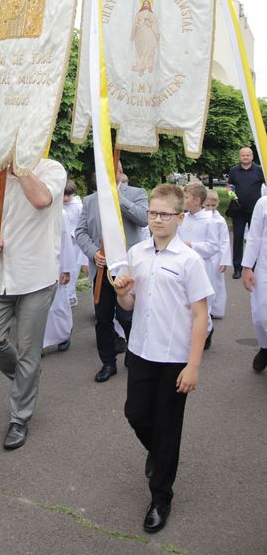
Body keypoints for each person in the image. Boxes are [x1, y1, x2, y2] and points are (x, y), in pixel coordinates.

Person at [112, 184, 213, 534]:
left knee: (168, 428)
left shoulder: (189, 260)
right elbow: (130, 304)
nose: (156, 219)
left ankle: (160, 498)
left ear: (180, 217)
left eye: (165, 214)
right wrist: (123, 293)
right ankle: (161, 458)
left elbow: (200, 316)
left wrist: (193, 365)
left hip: (174, 359)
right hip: (140, 350)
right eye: (153, 212)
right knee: (135, 414)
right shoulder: (137, 253)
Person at [0, 158, 66, 450]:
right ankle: (26, 379)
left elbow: (41, 199)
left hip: (38, 277)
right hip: (4, 274)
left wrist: (20, 169)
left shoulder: (53, 169)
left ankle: (19, 418)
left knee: (29, 349)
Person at [75, 163, 148, 382]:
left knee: (127, 316)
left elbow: (143, 219)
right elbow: (80, 231)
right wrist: (93, 252)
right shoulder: (89, 201)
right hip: (102, 270)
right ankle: (108, 362)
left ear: (120, 172)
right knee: (103, 318)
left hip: (127, 268)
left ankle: (134, 353)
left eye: (111, 168)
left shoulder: (137, 193)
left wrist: (117, 197)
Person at [178, 182, 218, 348]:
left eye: (186, 197)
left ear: (195, 200)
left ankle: (206, 330)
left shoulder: (210, 220)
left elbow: (214, 246)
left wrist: (192, 245)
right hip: (183, 264)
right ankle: (188, 333)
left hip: (202, 265)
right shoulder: (183, 217)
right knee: (186, 300)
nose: (183, 200)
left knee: (202, 301)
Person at [227, 147, 265, 279]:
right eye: (243, 155)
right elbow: (230, 186)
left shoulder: (260, 170)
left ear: (252, 156)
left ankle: (253, 266)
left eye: (248, 155)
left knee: (254, 239)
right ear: (240, 157)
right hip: (238, 210)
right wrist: (230, 192)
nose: (245, 157)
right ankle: (237, 268)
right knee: (237, 239)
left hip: (255, 211)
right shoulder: (233, 170)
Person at [241, 194, 267, 372]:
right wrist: (247, 266)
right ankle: (265, 347)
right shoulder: (263, 202)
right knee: (260, 316)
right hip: (264, 268)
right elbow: (254, 235)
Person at [42, 208, 74, 353]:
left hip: (56, 264)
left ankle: (63, 335)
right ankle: (38, 343)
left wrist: (66, 269)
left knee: (57, 305)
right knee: (36, 307)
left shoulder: (60, 213)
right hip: (35, 265)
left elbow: (66, 241)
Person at [204, 189, 232, 318]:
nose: (210, 208)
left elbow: (225, 241)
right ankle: (203, 309)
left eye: (213, 205)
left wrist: (224, 260)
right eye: (207, 205)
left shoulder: (219, 220)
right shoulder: (200, 218)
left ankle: (216, 309)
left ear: (218, 204)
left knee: (217, 283)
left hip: (216, 257)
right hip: (203, 255)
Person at [62, 179, 88, 306]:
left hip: (75, 245)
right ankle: (63, 296)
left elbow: (82, 225)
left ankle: (70, 295)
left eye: (69, 195)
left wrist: (73, 234)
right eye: (63, 194)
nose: (66, 198)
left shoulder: (79, 207)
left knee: (72, 270)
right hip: (62, 244)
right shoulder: (58, 205)